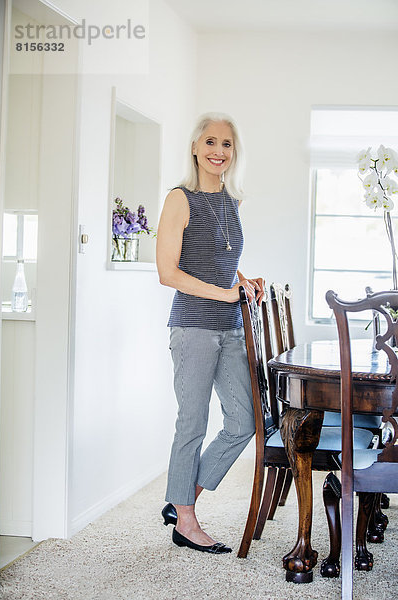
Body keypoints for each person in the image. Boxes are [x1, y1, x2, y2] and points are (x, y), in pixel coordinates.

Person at [156, 112, 264, 555]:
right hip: (194, 327)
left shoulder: (232, 202)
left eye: (227, 144)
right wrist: (223, 294)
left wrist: (244, 280)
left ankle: (184, 499)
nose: (219, 151)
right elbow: (168, 273)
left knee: (244, 422)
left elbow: (220, 258)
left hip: (230, 327)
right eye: (211, 142)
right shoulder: (179, 199)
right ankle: (186, 521)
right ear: (196, 148)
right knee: (193, 422)